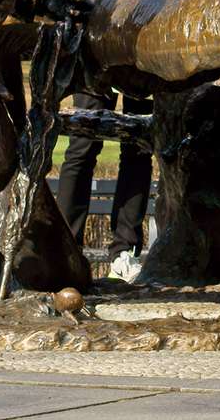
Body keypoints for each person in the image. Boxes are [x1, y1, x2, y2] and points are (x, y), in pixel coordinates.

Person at [54, 90, 152, 283]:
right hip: (95, 65)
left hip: (143, 71)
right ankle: (68, 253)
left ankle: (124, 255)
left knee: (140, 146)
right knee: (82, 148)